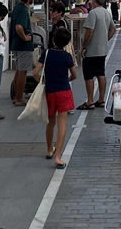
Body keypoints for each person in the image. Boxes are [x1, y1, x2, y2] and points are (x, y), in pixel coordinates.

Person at [34, 27, 76, 169]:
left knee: (50, 121)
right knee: (62, 123)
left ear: (53, 39)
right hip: (64, 90)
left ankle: (48, 149)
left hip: (50, 91)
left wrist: (42, 81)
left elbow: (35, 72)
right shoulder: (67, 56)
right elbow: (74, 75)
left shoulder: (46, 54)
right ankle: (58, 156)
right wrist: (67, 79)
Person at [77, 0, 116, 110]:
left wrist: (84, 46)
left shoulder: (93, 13)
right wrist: (105, 39)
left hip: (92, 49)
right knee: (101, 73)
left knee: (88, 75)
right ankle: (101, 99)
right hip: (102, 49)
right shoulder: (106, 12)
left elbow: (89, 31)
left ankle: (89, 101)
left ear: (94, 0)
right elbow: (113, 29)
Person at [10, 0, 36, 107]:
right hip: (23, 45)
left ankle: (17, 96)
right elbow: (19, 27)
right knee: (23, 72)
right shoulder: (23, 10)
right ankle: (19, 98)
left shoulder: (18, 8)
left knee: (19, 71)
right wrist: (25, 38)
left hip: (16, 44)